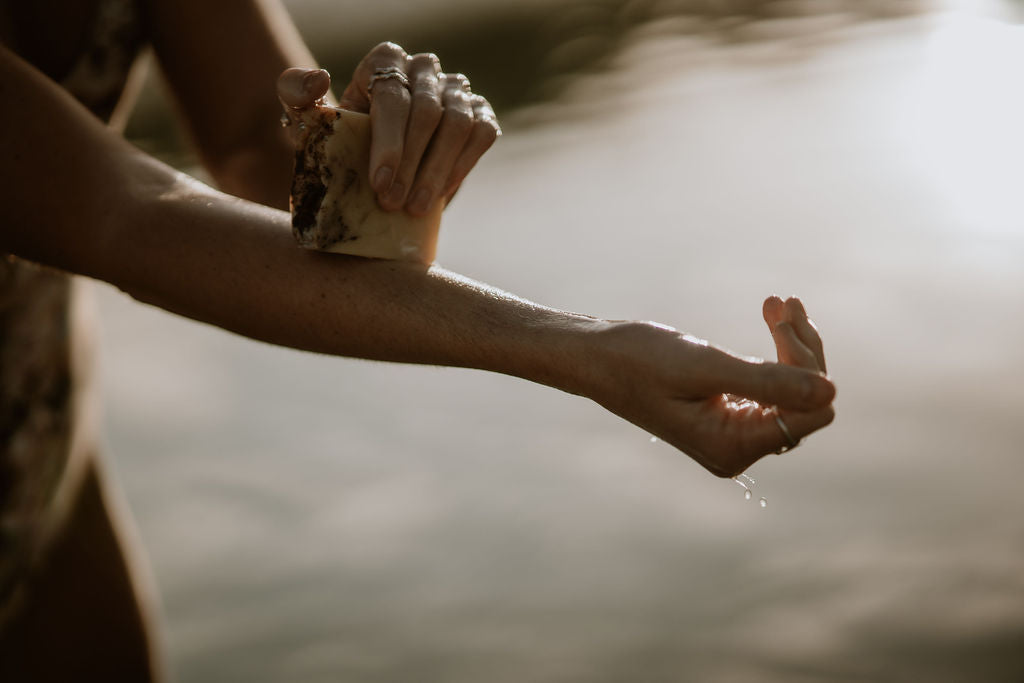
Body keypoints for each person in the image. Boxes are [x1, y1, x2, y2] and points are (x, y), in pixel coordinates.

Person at [0, 0, 835, 679]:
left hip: (45, 469)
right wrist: (583, 351)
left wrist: (365, 156)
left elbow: (258, 146)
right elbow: (121, 217)